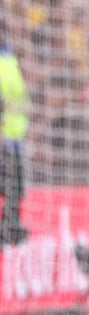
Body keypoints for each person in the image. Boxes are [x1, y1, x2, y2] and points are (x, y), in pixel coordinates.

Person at [0, 20, 30, 245]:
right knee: (8, 188)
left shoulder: (10, 59)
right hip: (5, 139)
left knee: (15, 189)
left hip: (14, 138)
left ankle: (10, 228)